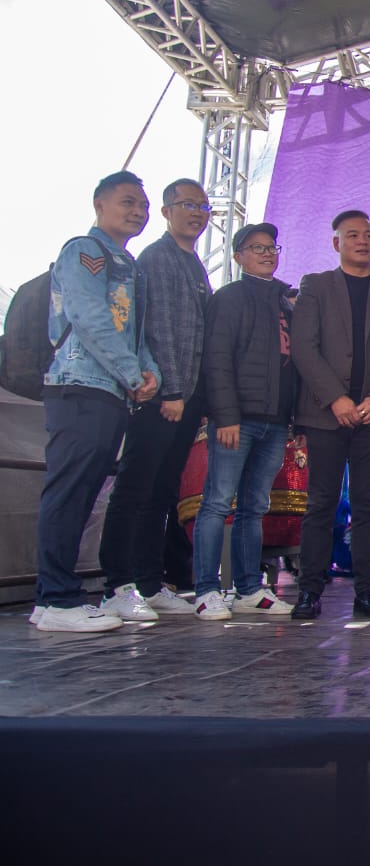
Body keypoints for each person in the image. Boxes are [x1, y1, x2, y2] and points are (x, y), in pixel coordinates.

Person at [31, 170, 158, 633]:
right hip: (79, 385)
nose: (137, 212)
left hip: (111, 392)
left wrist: (149, 373)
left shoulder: (129, 265)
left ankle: (57, 598)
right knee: (68, 493)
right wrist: (132, 373)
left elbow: (134, 332)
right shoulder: (85, 251)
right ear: (99, 205)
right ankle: (56, 599)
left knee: (84, 494)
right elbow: (88, 317)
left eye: (142, 206)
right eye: (127, 202)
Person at [97, 177, 211, 621]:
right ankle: (117, 583)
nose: (197, 213)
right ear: (166, 212)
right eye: (187, 205)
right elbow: (158, 329)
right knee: (135, 487)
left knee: (163, 492)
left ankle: (149, 581)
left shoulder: (193, 262)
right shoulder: (157, 257)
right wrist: (173, 391)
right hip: (161, 396)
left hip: (187, 399)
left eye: (203, 206)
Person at [289, 210, 370, 620]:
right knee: (321, 503)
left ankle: (366, 592)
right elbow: (304, 348)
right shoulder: (316, 286)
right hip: (326, 415)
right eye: (352, 235)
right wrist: (335, 398)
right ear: (336, 243)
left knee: (367, 505)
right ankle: (309, 590)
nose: (362, 241)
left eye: (368, 234)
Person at [191, 224, 297, 620]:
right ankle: (206, 590)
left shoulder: (285, 303)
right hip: (237, 420)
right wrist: (226, 415)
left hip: (276, 422)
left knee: (255, 507)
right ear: (238, 257)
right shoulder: (230, 298)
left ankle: (249, 588)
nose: (268, 253)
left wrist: (294, 420)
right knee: (217, 503)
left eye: (272, 247)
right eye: (257, 248)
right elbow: (216, 359)